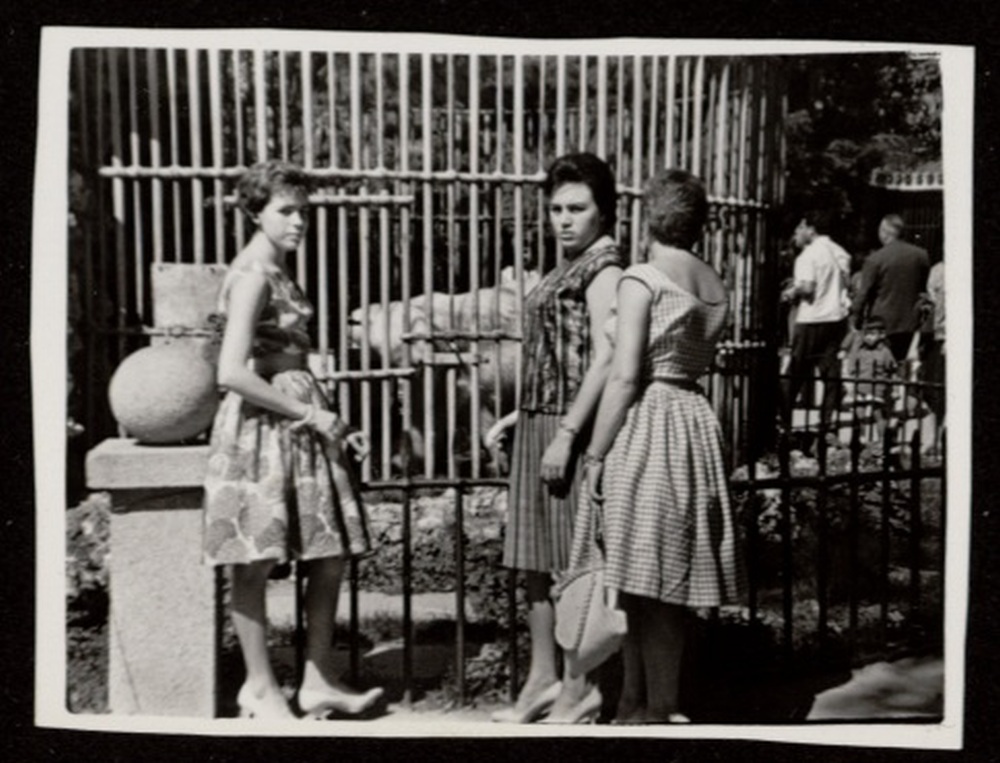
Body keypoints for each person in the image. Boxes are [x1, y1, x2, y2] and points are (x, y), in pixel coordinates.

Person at [202, 160, 384, 720]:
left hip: (299, 422)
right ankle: (260, 686)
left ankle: (318, 679)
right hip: (266, 426)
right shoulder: (254, 271)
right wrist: (309, 412)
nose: (299, 221)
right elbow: (231, 370)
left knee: (328, 552)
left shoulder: (276, 267)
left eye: (304, 211)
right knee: (255, 559)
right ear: (255, 212)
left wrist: (327, 419)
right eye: (286, 211)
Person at [583, 169, 743, 724]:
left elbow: (625, 375)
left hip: (649, 420)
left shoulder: (641, 279)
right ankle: (650, 701)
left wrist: (596, 454)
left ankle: (645, 704)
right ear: (700, 222)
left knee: (635, 572)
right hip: (695, 419)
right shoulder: (714, 282)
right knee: (668, 576)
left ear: (646, 216)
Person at [486, 153, 624, 724]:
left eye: (577, 208)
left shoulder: (605, 269)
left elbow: (607, 356)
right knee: (534, 565)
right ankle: (542, 679)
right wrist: (522, 417)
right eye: (555, 209)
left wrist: (566, 434)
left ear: (603, 211)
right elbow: (552, 355)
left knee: (573, 566)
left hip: (574, 426)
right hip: (540, 420)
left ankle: (579, 685)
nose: (563, 219)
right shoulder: (565, 264)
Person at [780, 210, 852, 426]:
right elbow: (846, 281)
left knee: (795, 373)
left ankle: (783, 421)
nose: (796, 233)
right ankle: (826, 422)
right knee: (830, 375)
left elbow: (808, 287)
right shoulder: (839, 252)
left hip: (811, 319)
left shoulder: (807, 256)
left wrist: (790, 292)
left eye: (799, 228)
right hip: (834, 319)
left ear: (810, 229)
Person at [851, 214, 930, 362]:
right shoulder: (921, 256)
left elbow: (864, 292)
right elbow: (922, 287)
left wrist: (856, 317)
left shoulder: (875, 259)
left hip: (880, 323)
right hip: (909, 322)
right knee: (899, 362)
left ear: (884, 231)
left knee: (879, 367)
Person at [840, 316, 898, 442]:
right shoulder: (861, 350)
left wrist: (895, 389)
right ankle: (861, 437)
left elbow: (892, 371)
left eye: (872, 334)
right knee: (859, 412)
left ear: (882, 335)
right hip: (861, 387)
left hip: (877, 388)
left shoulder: (885, 352)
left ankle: (882, 439)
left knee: (878, 414)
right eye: (866, 334)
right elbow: (852, 367)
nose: (868, 337)